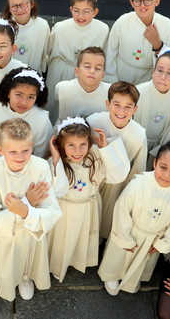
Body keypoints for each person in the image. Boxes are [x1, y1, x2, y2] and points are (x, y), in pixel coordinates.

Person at [0, 118, 62, 301]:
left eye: (25, 150)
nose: (20, 156)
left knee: (28, 262)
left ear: (32, 146)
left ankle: (26, 278)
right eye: (13, 151)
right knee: (7, 265)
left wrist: (24, 210)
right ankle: (7, 283)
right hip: (6, 235)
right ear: (0, 150)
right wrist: (28, 201)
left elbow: (52, 211)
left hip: (32, 232)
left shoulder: (40, 167)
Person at [98, 140, 170, 295]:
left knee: (142, 260)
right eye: (163, 167)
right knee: (120, 255)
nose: (167, 175)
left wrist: (163, 243)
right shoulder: (139, 183)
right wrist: (124, 238)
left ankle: (134, 277)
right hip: (131, 230)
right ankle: (112, 275)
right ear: (155, 163)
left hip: (153, 236)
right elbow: (122, 210)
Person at [47, 117, 130, 282]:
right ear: (61, 145)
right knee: (64, 239)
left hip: (88, 208)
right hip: (66, 210)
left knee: (81, 237)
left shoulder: (95, 159)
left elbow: (118, 175)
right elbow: (59, 189)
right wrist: (56, 157)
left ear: (89, 143)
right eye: (71, 145)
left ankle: (77, 260)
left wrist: (104, 148)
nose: (77, 151)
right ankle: (58, 265)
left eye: (82, 145)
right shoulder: (55, 162)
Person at [86, 81, 148, 239]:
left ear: (135, 109)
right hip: (91, 179)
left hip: (116, 185)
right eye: (116, 104)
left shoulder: (139, 134)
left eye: (128, 106)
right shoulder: (94, 122)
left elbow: (138, 170)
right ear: (107, 104)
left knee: (104, 221)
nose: (121, 111)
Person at [104, 0, 170, 84]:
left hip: (149, 79)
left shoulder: (166, 24)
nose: (143, 6)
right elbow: (110, 53)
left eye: (148, 0)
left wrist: (158, 45)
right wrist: (112, 82)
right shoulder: (122, 22)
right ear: (131, 2)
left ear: (157, 1)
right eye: (137, 1)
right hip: (122, 74)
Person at [45, 0, 109, 104]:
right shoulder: (60, 28)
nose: (81, 16)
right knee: (55, 106)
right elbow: (49, 51)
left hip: (87, 73)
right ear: (71, 9)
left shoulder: (103, 29)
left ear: (95, 12)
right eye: (76, 10)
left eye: (86, 11)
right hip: (61, 71)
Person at [0, 67, 53, 164]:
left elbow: (41, 156)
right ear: (8, 92)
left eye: (31, 97)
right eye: (19, 95)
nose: (24, 102)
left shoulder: (42, 119)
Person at [135, 47, 170, 157]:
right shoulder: (139, 91)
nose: (163, 77)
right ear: (153, 72)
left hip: (163, 144)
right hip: (137, 143)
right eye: (160, 71)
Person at [53, 47, 110, 124]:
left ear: (103, 74)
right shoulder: (62, 88)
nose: (92, 71)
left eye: (98, 68)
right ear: (77, 71)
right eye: (87, 67)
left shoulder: (110, 92)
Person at [2, 0, 49, 72]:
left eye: (23, 4)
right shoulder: (3, 27)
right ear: (9, 8)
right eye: (14, 6)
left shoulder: (42, 25)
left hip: (34, 76)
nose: (19, 10)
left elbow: (45, 55)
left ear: (31, 4)